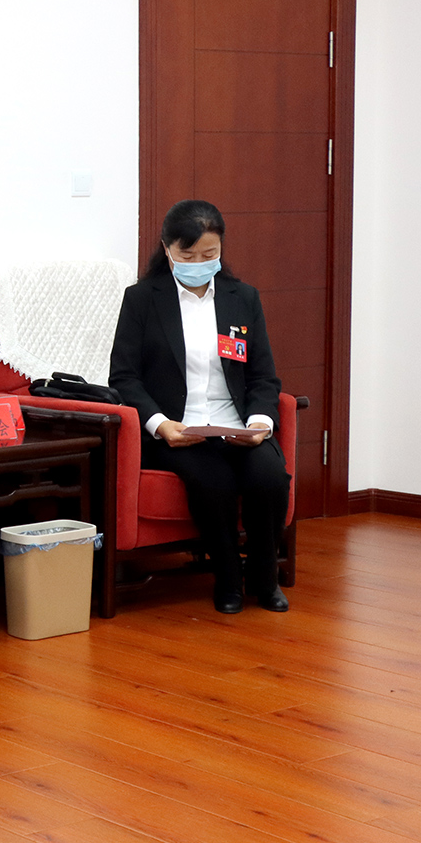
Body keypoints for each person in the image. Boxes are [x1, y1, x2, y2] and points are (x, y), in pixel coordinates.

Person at [108, 200, 290, 614]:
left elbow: (264, 376)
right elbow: (124, 377)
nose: (199, 264)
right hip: (179, 429)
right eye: (187, 256)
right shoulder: (142, 299)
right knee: (213, 482)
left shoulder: (243, 298)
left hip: (236, 426)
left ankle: (265, 579)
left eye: (209, 255)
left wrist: (260, 423)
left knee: (268, 477)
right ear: (167, 249)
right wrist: (160, 424)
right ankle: (227, 580)